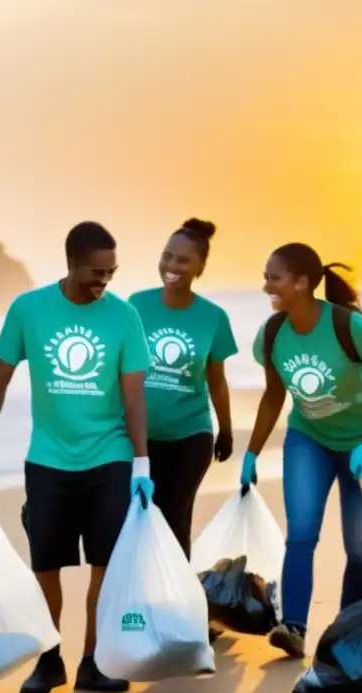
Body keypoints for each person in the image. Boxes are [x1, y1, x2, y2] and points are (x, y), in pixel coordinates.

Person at [0, 221, 153, 693]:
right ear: (71, 264)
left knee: (104, 565)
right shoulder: (29, 309)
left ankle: (93, 661)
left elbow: (133, 397)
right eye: (95, 271)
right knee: (46, 565)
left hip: (108, 456)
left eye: (111, 271)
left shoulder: (123, 317)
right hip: (48, 459)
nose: (104, 281)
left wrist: (142, 464)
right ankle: (50, 661)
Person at [240, 243, 362, 659]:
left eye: (274, 277)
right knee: (301, 534)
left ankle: (345, 632)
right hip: (309, 439)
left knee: (360, 547)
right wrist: (251, 453)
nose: (266, 286)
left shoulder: (347, 326)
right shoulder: (272, 333)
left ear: (302, 283)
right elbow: (273, 395)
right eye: (266, 276)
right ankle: (293, 627)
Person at [127, 218, 238, 558]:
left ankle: (177, 602)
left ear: (200, 266)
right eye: (167, 256)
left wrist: (226, 430)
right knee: (139, 516)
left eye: (182, 260)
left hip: (191, 436)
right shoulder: (137, 304)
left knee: (173, 515)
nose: (171, 266)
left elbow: (216, 381)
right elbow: (121, 370)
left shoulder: (213, 317)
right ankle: (146, 595)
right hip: (141, 437)